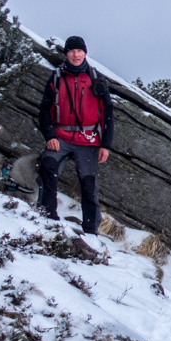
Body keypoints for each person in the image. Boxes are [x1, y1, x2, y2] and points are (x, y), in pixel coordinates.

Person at [37, 36, 114, 234]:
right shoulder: (56, 77)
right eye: (71, 51)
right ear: (66, 54)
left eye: (79, 51)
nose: (76, 54)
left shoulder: (96, 78)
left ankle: (90, 230)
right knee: (47, 165)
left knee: (88, 184)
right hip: (61, 135)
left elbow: (107, 114)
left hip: (88, 139)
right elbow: (45, 109)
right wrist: (50, 136)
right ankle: (47, 215)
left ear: (85, 53)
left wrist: (105, 145)